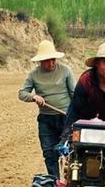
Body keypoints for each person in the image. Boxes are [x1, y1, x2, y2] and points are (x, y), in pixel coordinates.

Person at [19, 40, 76, 177]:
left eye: (53, 59)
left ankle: (72, 180)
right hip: (46, 119)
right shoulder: (34, 75)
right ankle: (55, 183)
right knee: (49, 153)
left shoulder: (65, 71)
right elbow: (22, 93)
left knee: (71, 151)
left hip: (66, 118)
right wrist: (33, 97)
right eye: (47, 60)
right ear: (40, 61)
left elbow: (75, 94)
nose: (51, 63)